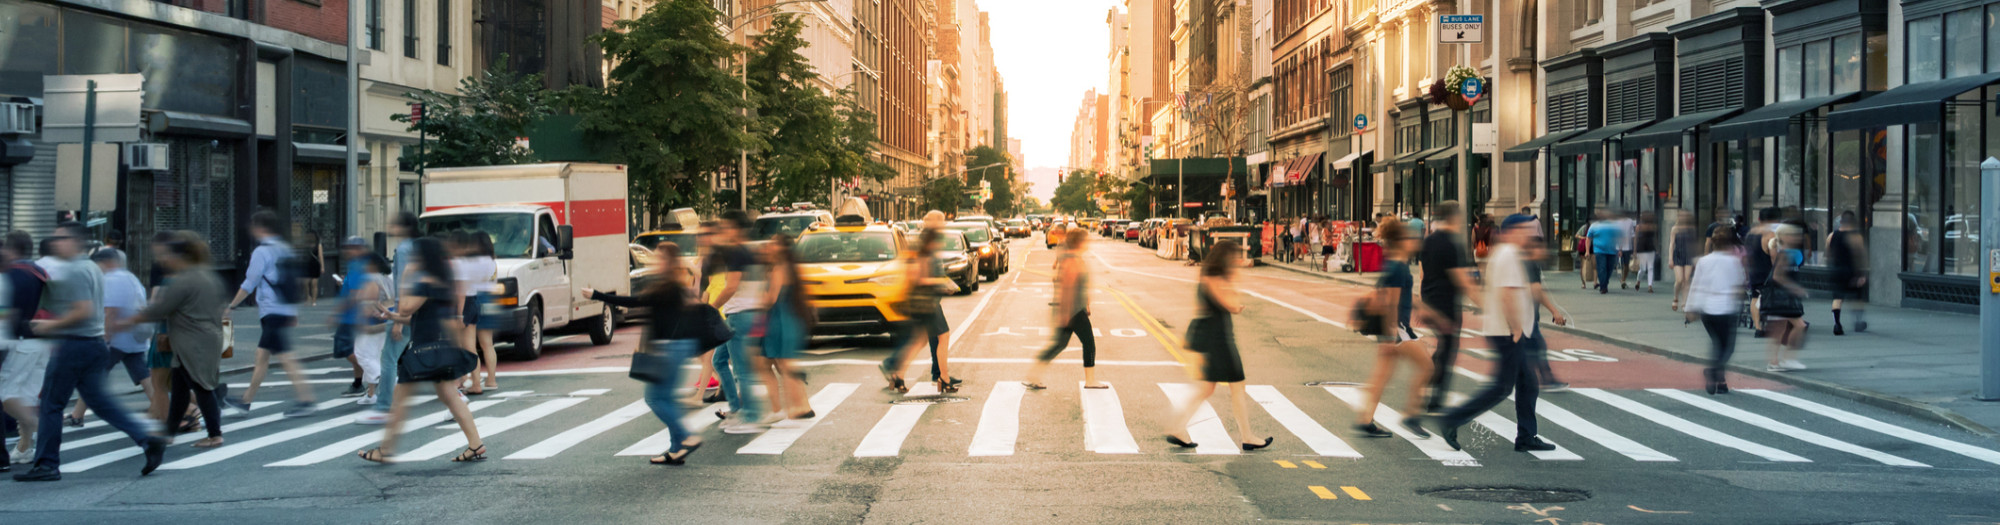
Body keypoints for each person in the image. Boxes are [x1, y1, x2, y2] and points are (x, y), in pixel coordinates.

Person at [15, 222, 172, 481]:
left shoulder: (75, 270)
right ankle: (148, 439)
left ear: (75, 241)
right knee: (101, 403)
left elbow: (83, 310)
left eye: (60, 238)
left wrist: (47, 324)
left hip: (73, 344)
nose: (55, 243)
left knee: (51, 405)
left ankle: (46, 464)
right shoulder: (91, 267)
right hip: (94, 344)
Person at [1426, 215, 1554, 453]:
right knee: (1502, 387)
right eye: (1525, 230)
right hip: (1507, 331)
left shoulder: (1510, 254)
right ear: (1513, 231)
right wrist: (1516, 327)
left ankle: (1526, 435)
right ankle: (1452, 419)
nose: (1529, 234)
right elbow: (1507, 294)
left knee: (1528, 383)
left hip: (1510, 330)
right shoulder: (1508, 256)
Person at [358, 237, 486, 464]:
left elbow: (407, 306)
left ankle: (386, 450)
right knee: (450, 398)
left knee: (399, 401)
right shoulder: (439, 281)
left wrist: (406, 275)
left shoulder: (426, 280)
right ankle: (476, 444)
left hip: (424, 353)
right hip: (438, 349)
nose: (412, 259)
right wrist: (392, 316)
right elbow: (416, 318)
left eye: (416, 255)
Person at [587, 242, 704, 465]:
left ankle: (687, 435)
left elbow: (634, 302)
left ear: (667, 261)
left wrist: (597, 295)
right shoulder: (673, 284)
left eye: (658, 258)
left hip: (671, 348)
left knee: (655, 398)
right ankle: (676, 449)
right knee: (666, 397)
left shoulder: (667, 286)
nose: (654, 261)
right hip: (676, 346)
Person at [120, 231, 229, 447]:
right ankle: (169, 432)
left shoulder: (185, 280)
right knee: (180, 389)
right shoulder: (206, 275)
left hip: (193, 343)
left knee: (202, 388)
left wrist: (125, 322)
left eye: (166, 256)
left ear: (179, 257)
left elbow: (160, 309)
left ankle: (215, 434)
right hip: (201, 340)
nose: (163, 260)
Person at [1162, 241, 1272, 451]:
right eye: (1233, 258)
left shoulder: (1207, 276)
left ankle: (1178, 427)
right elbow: (1231, 305)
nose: (1235, 261)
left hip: (1214, 337)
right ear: (1225, 259)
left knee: (1207, 388)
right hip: (1218, 339)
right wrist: (1234, 282)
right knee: (1237, 385)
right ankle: (1247, 436)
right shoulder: (1215, 279)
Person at [225, 210, 317, 418]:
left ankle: (306, 400)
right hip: (282, 309)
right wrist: (293, 312)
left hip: (272, 310)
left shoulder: (261, 252)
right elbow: (292, 283)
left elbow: (249, 283)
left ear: (261, 228)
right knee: (262, 356)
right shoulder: (285, 249)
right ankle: (246, 400)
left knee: (286, 357)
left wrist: (231, 306)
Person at [1352, 221, 1435, 438]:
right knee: (1427, 367)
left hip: (1392, 331)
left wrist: (1424, 310)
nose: (1413, 243)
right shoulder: (1398, 267)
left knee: (1381, 377)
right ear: (1401, 242)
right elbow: (1391, 303)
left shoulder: (1395, 265)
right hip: (1398, 329)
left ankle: (1365, 419)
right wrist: (1390, 337)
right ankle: (1411, 414)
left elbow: (1403, 297)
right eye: (1410, 238)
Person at [67, 249, 154, 426]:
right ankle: (164, 408)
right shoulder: (130, 277)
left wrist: (105, 338)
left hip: (116, 339)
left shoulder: (111, 279)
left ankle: (78, 415)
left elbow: (110, 312)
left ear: (104, 262)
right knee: (144, 376)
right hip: (134, 337)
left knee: (92, 377)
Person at [709, 210, 769, 434]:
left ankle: (751, 416)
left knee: (742, 370)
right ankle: (736, 408)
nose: (722, 231)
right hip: (744, 314)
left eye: (725, 227)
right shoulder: (747, 251)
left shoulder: (736, 252)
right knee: (719, 360)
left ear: (735, 229)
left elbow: (732, 286)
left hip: (739, 315)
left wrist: (712, 306)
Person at [357, 212, 420, 425]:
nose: (390, 227)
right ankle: (457, 393)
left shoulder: (403, 249)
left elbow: (403, 285)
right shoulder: (419, 245)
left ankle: (384, 407)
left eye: (394, 224)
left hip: (407, 308)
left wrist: (400, 317)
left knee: (389, 358)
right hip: (421, 307)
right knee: (428, 355)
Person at [1418, 201, 1479, 413]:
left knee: (1443, 347)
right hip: (1446, 304)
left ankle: (1426, 384)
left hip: (1430, 300)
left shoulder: (1429, 241)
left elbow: (1422, 273)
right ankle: (1434, 396)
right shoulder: (1451, 244)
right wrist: (1482, 303)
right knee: (1448, 350)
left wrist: (1422, 301)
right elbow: (1461, 280)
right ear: (1454, 217)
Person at [882, 227, 959, 393]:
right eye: (938, 241)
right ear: (931, 242)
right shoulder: (924, 255)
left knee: (919, 341)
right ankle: (943, 378)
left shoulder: (918, 253)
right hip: (927, 303)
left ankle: (898, 375)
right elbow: (920, 279)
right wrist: (940, 283)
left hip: (919, 303)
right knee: (943, 337)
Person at [1024, 229, 1101, 391]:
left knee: (1059, 345)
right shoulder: (1072, 262)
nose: (1088, 243)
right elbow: (1067, 289)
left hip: (1074, 309)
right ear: (1079, 242)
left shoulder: (1074, 258)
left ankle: (1034, 375)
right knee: (1089, 342)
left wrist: (1086, 302)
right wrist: (1065, 314)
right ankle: (1090, 380)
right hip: (1073, 311)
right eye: (1085, 240)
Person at [0, 231, 48, 466]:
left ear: (10, 249)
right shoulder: (39, 272)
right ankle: (24, 447)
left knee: (7, 397)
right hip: (41, 339)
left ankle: (48, 432)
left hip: (19, 341)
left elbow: (6, 312)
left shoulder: (12, 276)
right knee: (26, 396)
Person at [754, 235, 814, 419]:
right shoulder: (783, 267)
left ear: (781, 248)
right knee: (771, 364)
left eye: (774, 243)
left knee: (784, 365)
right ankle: (792, 407)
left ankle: (797, 408)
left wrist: (754, 302)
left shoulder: (779, 269)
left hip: (778, 322)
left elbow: (770, 299)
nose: (770, 246)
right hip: (781, 320)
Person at [1684, 230, 1746, 394]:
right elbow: (1739, 285)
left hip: (1707, 309)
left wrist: (1690, 308)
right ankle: (1713, 371)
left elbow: (1696, 284)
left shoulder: (1703, 261)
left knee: (1717, 344)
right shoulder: (1733, 262)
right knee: (1727, 347)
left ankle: (1720, 381)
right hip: (1726, 308)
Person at [452, 231, 499, 395]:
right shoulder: (492, 261)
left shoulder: (470, 262)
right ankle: (491, 379)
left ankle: (466, 379)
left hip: (474, 298)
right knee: (488, 344)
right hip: (490, 300)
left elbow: (463, 285)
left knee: (467, 345)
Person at [1522, 233, 1571, 392]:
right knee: (1538, 347)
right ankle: (1546, 380)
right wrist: (1555, 312)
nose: (1544, 251)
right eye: (1541, 248)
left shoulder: (1528, 263)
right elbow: (1536, 291)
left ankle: (1542, 379)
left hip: (1526, 316)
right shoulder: (1531, 264)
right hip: (1526, 316)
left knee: (1533, 348)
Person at [329, 237, 374, 398]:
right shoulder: (365, 265)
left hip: (351, 317)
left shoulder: (356, 265)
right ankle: (358, 383)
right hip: (359, 316)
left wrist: (336, 313)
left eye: (352, 248)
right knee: (357, 350)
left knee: (346, 350)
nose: (348, 250)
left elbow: (354, 296)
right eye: (347, 247)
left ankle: (375, 373)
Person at [347, 254, 393, 406]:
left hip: (370, 324)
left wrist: (360, 320)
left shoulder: (370, 280)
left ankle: (386, 382)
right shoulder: (388, 277)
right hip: (385, 322)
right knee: (375, 356)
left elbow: (366, 303)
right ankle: (371, 393)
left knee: (363, 355)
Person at [1764, 225, 1810, 372]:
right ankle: (1787, 359)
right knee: (1799, 326)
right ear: (1784, 237)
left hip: (1780, 297)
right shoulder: (1785, 254)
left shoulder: (1787, 253)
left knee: (1779, 330)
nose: (1796, 238)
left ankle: (1776, 361)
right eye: (1792, 235)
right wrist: (1796, 288)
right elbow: (1777, 276)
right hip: (1782, 297)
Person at [1742, 208, 1782, 336]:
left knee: (1755, 297)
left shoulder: (1750, 233)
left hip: (1754, 270)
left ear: (1760, 219)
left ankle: (1758, 328)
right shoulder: (1770, 235)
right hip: (1767, 271)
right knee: (1771, 297)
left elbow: (1746, 255)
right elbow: (1773, 256)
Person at [1827, 211, 1868, 335]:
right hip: (1851, 271)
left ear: (1841, 222)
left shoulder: (1832, 235)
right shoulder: (1856, 237)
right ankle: (1858, 322)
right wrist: (1862, 274)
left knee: (1837, 298)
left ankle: (1837, 324)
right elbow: (1860, 256)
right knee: (1857, 297)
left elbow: (1828, 254)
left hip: (1836, 270)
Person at [1585, 210, 1623, 294]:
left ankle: (1604, 282)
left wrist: (1620, 249)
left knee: (1609, 269)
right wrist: (1587, 251)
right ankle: (1603, 287)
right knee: (1602, 268)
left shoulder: (1613, 226)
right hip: (1599, 251)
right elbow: (1588, 238)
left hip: (1612, 251)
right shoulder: (1594, 226)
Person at [1671, 211, 1698, 311]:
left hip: (1689, 255)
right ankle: (1675, 297)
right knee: (1679, 279)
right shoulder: (1675, 229)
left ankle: (1684, 303)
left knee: (1686, 280)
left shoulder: (1691, 229)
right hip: (1678, 254)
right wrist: (1670, 259)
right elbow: (1672, 244)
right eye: (1681, 216)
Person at [1630, 212, 1659, 293]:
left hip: (1649, 248)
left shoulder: (1652, 227)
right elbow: (1636, 239)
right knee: (1643, 268)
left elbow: (1655, 238)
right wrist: (1635, 250)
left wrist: (1656, 248)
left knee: (1650, 268)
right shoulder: (1639, 227)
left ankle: (1650, 286)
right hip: (1642, 249)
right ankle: (1638, 281)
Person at [1615, 211, 1639, 289]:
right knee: (1620, 264)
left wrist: (1634, 248)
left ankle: (1623, 279)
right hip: (1619, 247)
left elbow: (1632, 235)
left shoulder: (1630, 221)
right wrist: (1620, 249)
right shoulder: (1617, 222)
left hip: (1627, 247)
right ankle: (1622, 279)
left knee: (1626, 264)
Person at [301, 230, 323, 307]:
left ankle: (314, 300)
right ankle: (308, 297)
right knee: (305, 283)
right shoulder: (305, 245)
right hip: (307, 265)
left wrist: (322, 267)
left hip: (315, 265)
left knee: (314, 284)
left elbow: (320, 256)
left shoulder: (318, 245)